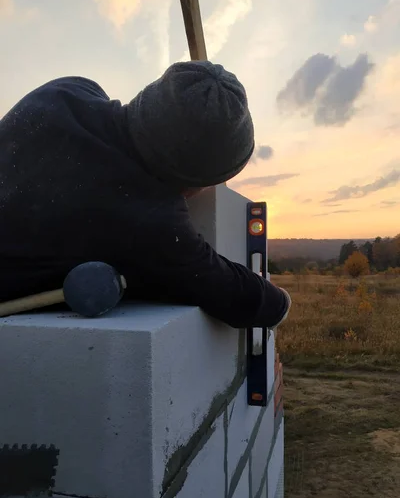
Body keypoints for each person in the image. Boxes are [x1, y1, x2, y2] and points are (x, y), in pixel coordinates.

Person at [0, 61, 291, 328]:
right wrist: (281, 300)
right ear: (189, 181)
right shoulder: (152, 220)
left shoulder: (66, 91)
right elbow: (234, 292)